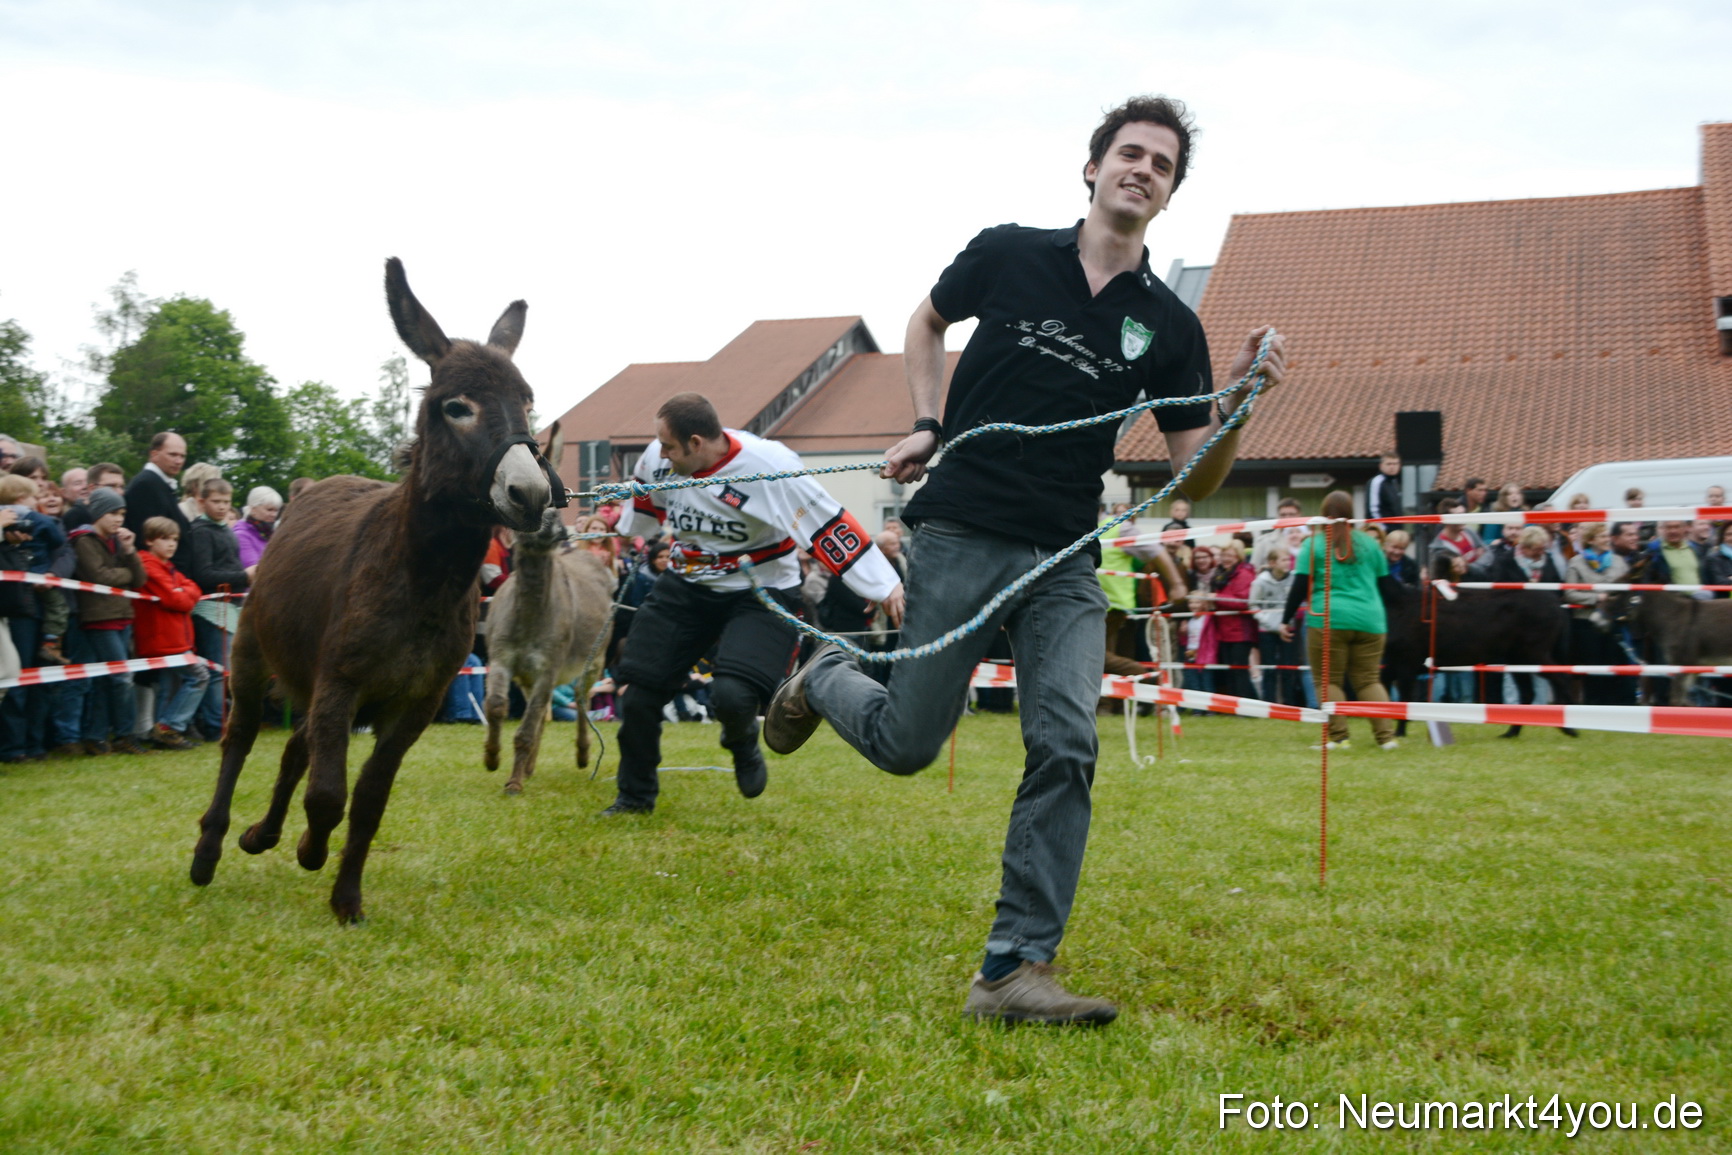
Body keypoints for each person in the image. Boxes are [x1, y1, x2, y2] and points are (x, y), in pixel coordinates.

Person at [764, 96, 1287, 1025]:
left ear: (1168, 197)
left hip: (1065, 554)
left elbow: (1195, 480)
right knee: (908, 744)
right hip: (962, 525)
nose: (1143, 170)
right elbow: (923, 324)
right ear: (1091, 168)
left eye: (1161, 165)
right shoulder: (1007, 252)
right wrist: (927, 422)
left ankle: (1012, 969)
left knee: (1067, 741)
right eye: (1130, 153)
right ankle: (830, 672)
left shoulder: (1167, 325)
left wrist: (1239, 401)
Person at [606, 392, 903, 816]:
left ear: (696, 443)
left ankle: (742, 741)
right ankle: (634, 798)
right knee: (637, 695)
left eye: (670, 447)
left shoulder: (769, 466)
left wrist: (884, 585)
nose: (661, 454)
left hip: (760, 589)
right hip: (687, 584)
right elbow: (644, 511)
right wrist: (616, 524)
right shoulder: (657, 458)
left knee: (732, 695)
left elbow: (827, 525)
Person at [1282, 490, 1399, 751]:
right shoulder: (1370, 544)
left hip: (1328, 619)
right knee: (1369, 680)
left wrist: (1285, 619)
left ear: (1324, 514)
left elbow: (1299, 586)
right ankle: (1387, 738)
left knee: (1328, 680)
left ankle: (1339, 738)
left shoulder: (1313, 544)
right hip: (1371, 620)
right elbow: (1388, 586)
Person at [69, 488, 149, 755]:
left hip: (122, 617)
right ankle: (125, 735)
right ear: (99, 512)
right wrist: (125, 572)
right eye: (114, 513)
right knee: (121, 679)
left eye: (123, 514)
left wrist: (129, 551)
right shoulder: (84, 540)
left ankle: (96, 736)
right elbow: (98, 576)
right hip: (99, 617)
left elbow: (140, 580)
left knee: (107, 681)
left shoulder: (119, 541)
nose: (119, 519)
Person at [180, 478, 253, 741]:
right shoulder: (200, 531)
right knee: (215, 672)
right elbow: (204, 573)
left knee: (223, 671)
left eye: (226, 502)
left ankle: (215, 721)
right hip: (211, 609)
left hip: (230, 607)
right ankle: (214, 726)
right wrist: (244, 576)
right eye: (216, 502)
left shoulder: (225, 529)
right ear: (201, 501)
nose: (222, 507)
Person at [133, 517, 212, 749]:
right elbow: (177, 599)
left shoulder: (169, 568)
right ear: (149, 541)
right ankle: (170, 726)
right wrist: (183, 591)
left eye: (175, 539)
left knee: (172, 686)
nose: (172, 544)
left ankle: (163, 731)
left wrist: (183, 590)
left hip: (175, 638)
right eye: (164, 539)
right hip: (161, 638)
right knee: (199, 676)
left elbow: (193, 587)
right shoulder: (147, 565)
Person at [1562, 523, 1631, 705]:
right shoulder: (1576, 562)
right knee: (1592, 666)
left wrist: (1614, 600)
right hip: (1586, 623)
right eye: (1602, 536)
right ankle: (1593, 704)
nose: (1607, 539)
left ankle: (1613, 705)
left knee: (1613, 663)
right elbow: (1569, 593)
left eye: (1607, 536)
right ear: (1591, 539)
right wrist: (1595, 598)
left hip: (1613, 622)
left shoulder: (1619, 562)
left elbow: (1628, 590)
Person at [1249, 546, 1303, 705]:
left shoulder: (1294, 578)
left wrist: (1287, 621)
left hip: (1288, 629)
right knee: (1269, 669)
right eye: (1284, 560)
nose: (1288, 563)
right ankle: (1269, 704)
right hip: (1267, 630)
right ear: (1272, 563)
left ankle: (1289, 705)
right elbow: (1253, 606)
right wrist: (1269, 622)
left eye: (1288, 559)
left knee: (1288, 669)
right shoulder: (1259, 582)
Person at [1208, 539, 1257, 700]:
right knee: (1229, 669)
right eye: (1223, 554)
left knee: (1239, 670)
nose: (1225, 558)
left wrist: (1216, 597)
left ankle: (1247, 703)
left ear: (1238, 556)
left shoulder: (1244, 574)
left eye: (1229, 555)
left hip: (1240, 631)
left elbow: (1242, 601)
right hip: (1223, 630)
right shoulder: (1220, 574)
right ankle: (1234, 703)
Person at [123, 432, 191, 541]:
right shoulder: (145, 484)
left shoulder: (159, 483)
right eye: (172, 455)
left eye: (182, 456)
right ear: (154, 455)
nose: (179, 461)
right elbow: (147, 536)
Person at [62, 462, 124, 532]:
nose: (119, 492)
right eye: (111, 486)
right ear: (92, 488)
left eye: (121, 487)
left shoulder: (121, 511)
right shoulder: (75, 516)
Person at [232, 486, 282, 568]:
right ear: (253, 509)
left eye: (276, 510)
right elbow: (254, 569)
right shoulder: (241, 535)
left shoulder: (270, 533)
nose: (274, 515)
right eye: (269, 510)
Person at [1368, 452, 1402, 524]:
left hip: (1396, 528)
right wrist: (1381, 529)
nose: (1392, 467)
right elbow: (1373, 509)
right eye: (1389, 464)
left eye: (1395, 464)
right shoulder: (1376, 482)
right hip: (1383, 530)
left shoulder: (1395, 482)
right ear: (1381, 466)